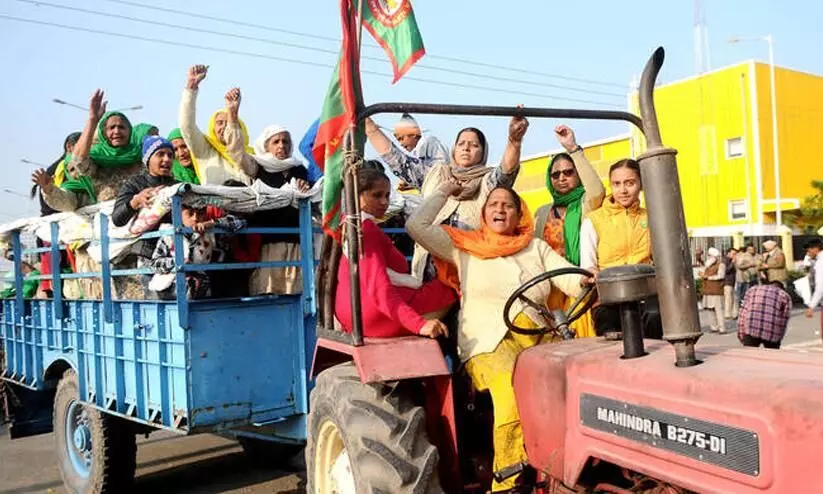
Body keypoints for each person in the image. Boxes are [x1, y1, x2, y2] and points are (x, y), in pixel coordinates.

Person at [407, 182, 585, 492]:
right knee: (509, 388)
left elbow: (569, 277)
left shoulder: (536, 247)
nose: (501, 209)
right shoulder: (463, 247)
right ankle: (509, 479)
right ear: (484, 214)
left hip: (538, 337)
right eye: (494, 205)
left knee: (580, 381)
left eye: (508, 205)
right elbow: (416, 225)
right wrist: (444, 192)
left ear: (519, 215)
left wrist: (589, 280)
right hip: (487, 341)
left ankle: (572, 466)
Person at [388, 113, 529, 281]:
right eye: (461, 143)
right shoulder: (435, 174)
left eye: (474, 145)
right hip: (428, 277)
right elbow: (398, 161)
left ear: (483, 152)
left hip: (469, 275)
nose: (466, 148)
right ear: (454, 149)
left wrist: (514, 140)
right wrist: (370, 128)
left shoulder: (488, 183)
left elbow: (506, 172)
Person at [335, 166, 456, 338]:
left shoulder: (347, 224)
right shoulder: (365, 230)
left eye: (386, 195)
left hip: (352, 313)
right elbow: (379, 286)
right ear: (357, 195)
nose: (384, 202)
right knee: (453, 282)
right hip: (375, 318)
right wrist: (419, 325)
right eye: (376, 195)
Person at [222, 88, 310, 296]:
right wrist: (232, 115)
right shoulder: (257, 167)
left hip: (296, 241)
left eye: (286, 141)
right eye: (276, 141)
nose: (282, 146)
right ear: (266, 145)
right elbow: (235, 151)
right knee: (268, 292)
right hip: (267, 243)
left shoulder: (299, 169)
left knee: (295, 293)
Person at [534, 125, 604, 339]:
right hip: (551, 287)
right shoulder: (542, 212)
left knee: (583, 336)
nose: (561, 178)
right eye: (555, 174)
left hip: (582, 284)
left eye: (568, 172)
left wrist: (573, 148)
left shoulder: (586, 204)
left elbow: (597, 190)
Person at [580, 159, 660, 338]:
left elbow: (662, 260)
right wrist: (590, 273)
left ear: (640, 184)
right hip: (609, 295)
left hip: (644, 292)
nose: (623, 190)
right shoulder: (594, 220)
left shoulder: (651, 218)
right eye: (617, 184)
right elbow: (587, 265)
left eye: (629, 183)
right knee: (609, 327)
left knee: (655, 317)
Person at [66, 90, 155, 203]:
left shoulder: (142, 156)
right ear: (103, 133)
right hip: (108, 217)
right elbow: (78, 160)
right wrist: (93, 120)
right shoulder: (97, 160)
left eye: (122, 127)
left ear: (130, 131)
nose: (117, 131)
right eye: (111, 128)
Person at [149, 205, 246, 300]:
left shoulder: (210, 233)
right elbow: (154, 264)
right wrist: (177, 262)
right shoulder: (169, 235)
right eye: (190, 214)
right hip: (172, 285)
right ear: (178, 215)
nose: (195, 218)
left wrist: (214, 223)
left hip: (204, 285)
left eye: (200, 213)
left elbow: (240, 222)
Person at [179, 65, 254, 185]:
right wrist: (191, 86)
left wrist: (232, 112)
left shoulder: (251, 156)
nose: (224, 126)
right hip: (215, 204)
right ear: (212, 129)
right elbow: (186, 126)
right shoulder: (204, 150)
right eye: (219, 123)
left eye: (228, 122)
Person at [364, 113, 449, 189]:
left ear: (413, 134)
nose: (401, 144)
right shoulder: (419, 150)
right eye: (398, 140)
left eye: (401, 139)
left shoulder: (431, 144)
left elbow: (438, 175)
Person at [112, 136, 179, 227]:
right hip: (145, 240)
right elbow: (117, 219)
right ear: (148, 160)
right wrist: (136, 201)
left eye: (170, 155)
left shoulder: (178, 186)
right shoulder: (134, 184)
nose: (167, 159)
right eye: (160, 154)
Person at [31, 131, 82, 216]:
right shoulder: (59, 169)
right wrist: (49, 190)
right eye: (82, 144)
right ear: (69, 147)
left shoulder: (84, 165)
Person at [737, 281, 792, 349]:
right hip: (771, 330)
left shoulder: (752, 290)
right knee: (771, 357)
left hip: (751, 328)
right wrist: (779, 338)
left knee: (749, 355)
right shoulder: (784, 294)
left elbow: (742, 313)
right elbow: (784, 318)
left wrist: (741, 335)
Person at [700, 247, 726, 333]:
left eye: (709, 256)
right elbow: (700, 261)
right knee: (710, 309)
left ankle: (722, 328)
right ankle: (714, 327)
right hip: (707, 290)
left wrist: (708, 277)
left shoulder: (720, 265)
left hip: (716, 290)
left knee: (718, 310)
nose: (708, 257)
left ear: (713, 257)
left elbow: (721, 276)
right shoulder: (708, 265)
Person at [804, 240, 823, 329]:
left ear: (816, 249)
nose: (808, 254)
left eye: (809, 250)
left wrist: (811, 306)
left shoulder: (821, 262)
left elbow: (821, 286)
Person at [724, 248, 739, 320]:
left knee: (734, 298)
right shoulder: (725, 260)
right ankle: (727, 313)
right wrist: (732, 263)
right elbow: (726, 270)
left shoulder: (733, 261)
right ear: (728, 253)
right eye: (733, 254)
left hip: (734, 281)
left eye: (735, 254)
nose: (734, 255)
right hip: (727, 282)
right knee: (728, 298)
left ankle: (734, 313)